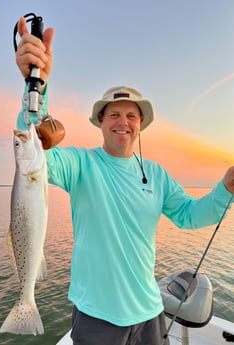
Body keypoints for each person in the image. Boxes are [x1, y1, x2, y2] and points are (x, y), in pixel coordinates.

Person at [15, 16, 234, 345]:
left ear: (140, 123)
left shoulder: (157, 174)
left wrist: (225, 189)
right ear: (101, 121)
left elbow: (191, 215)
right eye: (114, 114)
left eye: (131, 115)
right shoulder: (80, 163)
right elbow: (32, 150)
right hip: (97, 319)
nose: (123, 122)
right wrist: (37, 86)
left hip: (149, 313)